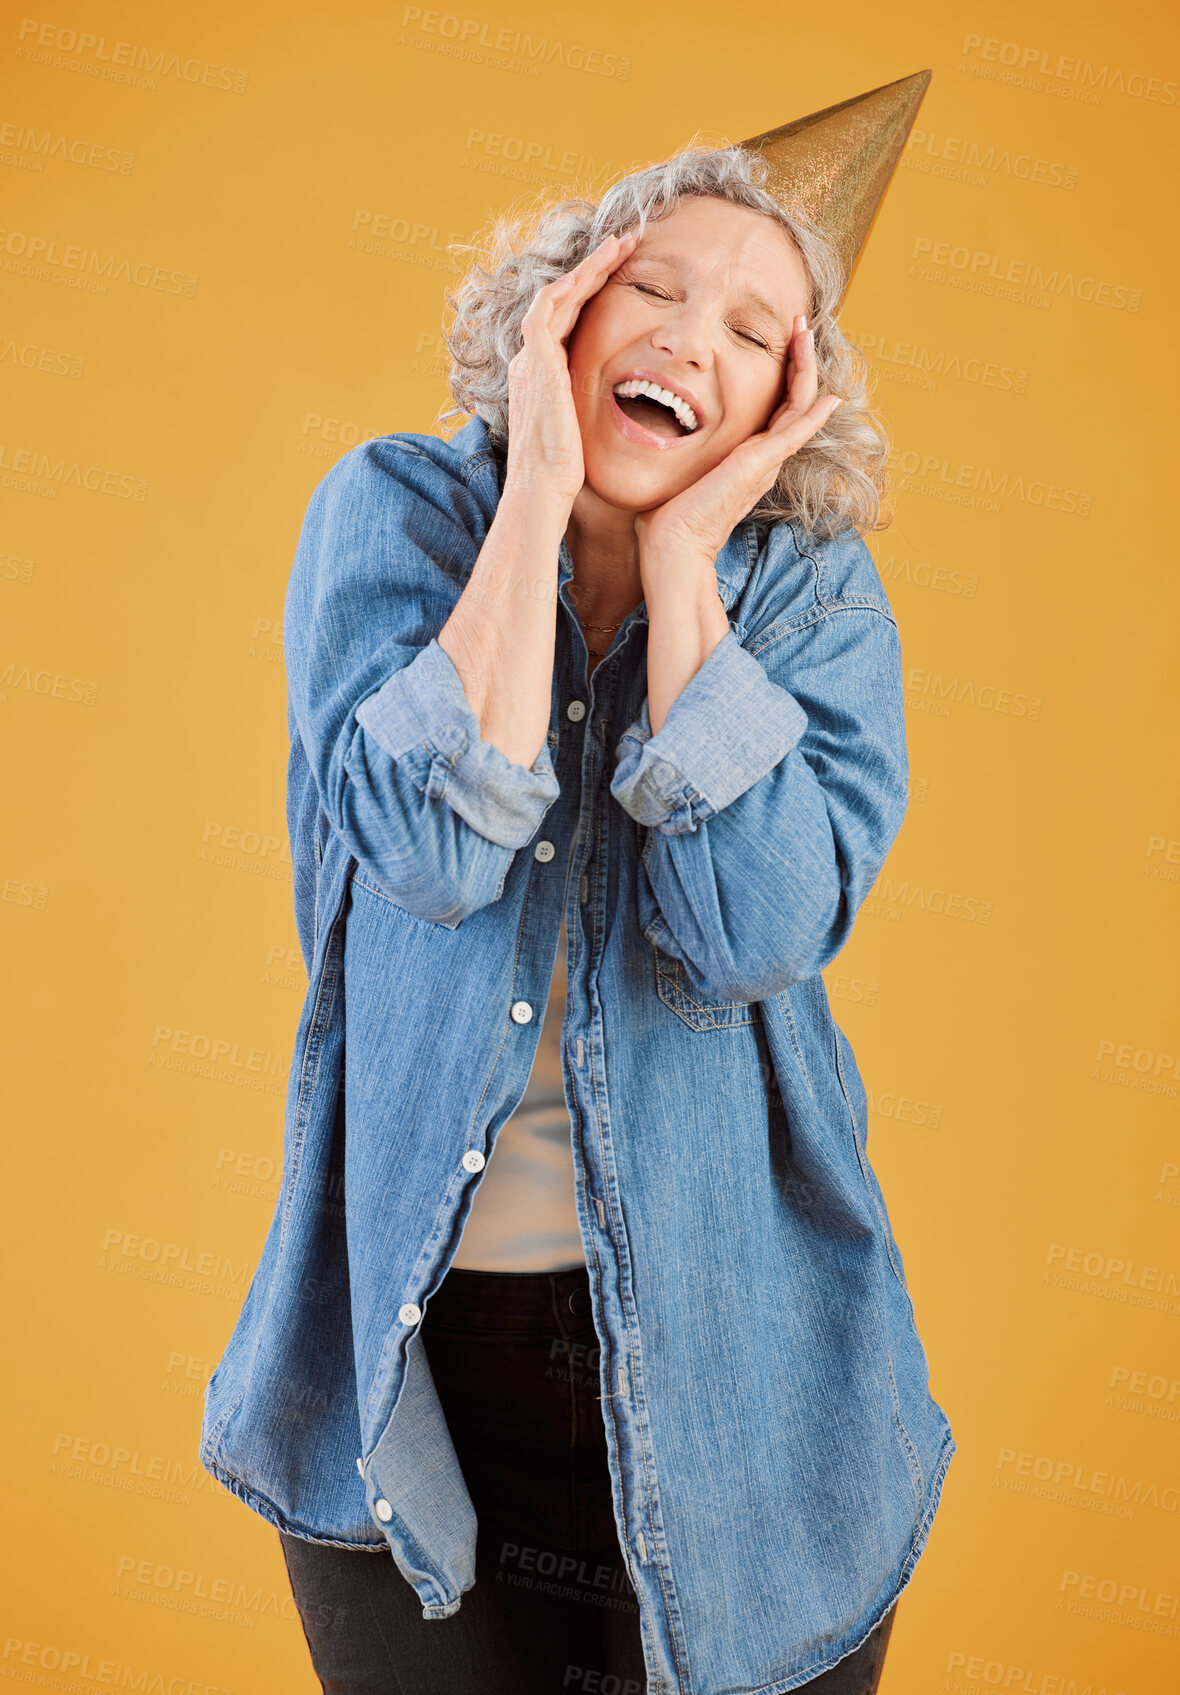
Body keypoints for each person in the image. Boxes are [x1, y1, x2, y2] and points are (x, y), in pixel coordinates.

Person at [200, 80, 955, 1695]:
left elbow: (751, 933)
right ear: (566, 305)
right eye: (656, 287)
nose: (691, 337)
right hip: (412, 1368)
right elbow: (428, 848)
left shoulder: (814, 601)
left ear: (784, 408)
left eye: (754, 330)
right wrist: (538, 489)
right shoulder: (399, 514)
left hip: (742, 1369)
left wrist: (683, 580)